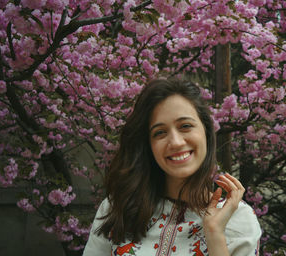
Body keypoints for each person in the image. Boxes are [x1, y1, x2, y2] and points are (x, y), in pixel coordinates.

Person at [83, 78, 262, 256]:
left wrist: (215, 234)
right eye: (160, 132)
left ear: (206, 132)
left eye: (185, 126)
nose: (176, 142)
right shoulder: (117, 208)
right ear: (149, 145)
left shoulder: (238, 219)